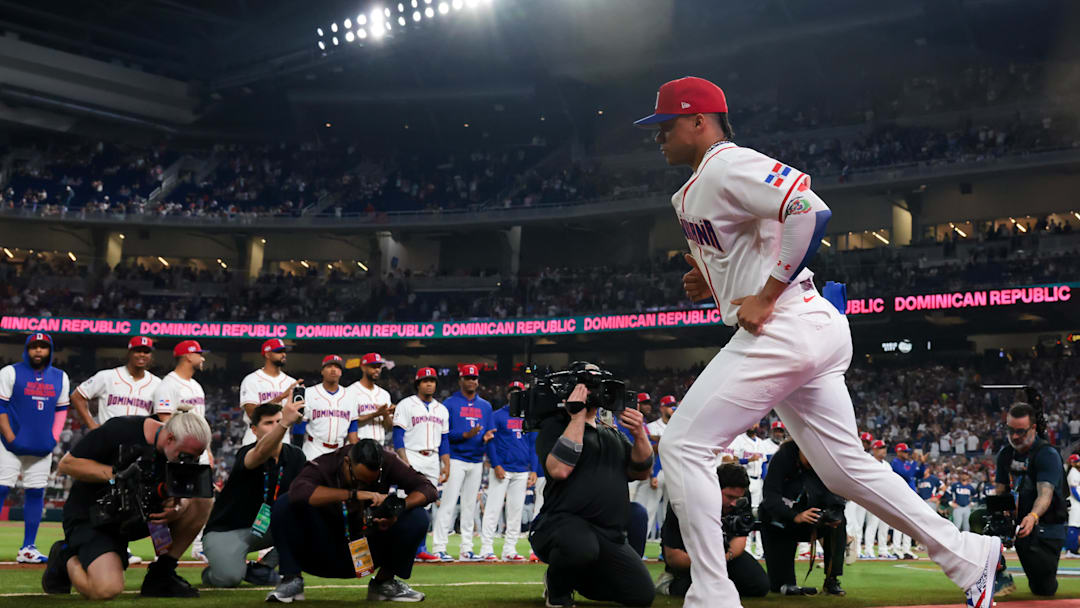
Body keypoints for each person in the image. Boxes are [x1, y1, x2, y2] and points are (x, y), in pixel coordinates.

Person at [634, 75, 1002, 608]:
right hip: (808, 327)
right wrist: (710, 282)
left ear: (699, 122)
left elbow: (810, 209)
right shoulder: (699, 185)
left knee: (686, 445)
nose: (658, 136)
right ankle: (968, 553)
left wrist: (766, 292)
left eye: (666, 125)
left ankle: (712, 596)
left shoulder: (727, 163)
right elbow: (749, 249)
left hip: (787, 322)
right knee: (844, 468)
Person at [42, 411, 213, 599]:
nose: (188, 462)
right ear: (170, 438)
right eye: (186, 455)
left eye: (195, 457)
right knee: (106, 589)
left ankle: (161, 575)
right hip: (93, 517)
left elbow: (184, 496)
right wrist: (118, 477)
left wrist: (179, 507)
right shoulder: (121, 430)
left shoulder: (178, 452)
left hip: (137, 515)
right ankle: (63, 555)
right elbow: (67, 465)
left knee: (202, 499)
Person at [530, 379, 656, 608]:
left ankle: (576, 577)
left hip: (608, 533)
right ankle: (557, 590)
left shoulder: (612, 433)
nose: (596, 391)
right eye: (589, 385)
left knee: (641, 595)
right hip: (561, 524)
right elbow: (559, 470)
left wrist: (639, 434)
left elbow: (642, 471)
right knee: (580, 547)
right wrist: (577, 416)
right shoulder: (555, 426)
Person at [265, 439, 438, 603]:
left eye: (373, 481)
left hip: (366, 548)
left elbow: (428, 489)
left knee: (417, 516)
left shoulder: (389, 461)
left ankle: (384, 584)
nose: (364, 485)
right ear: (347, 463)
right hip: (321, 547)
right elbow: (298, 491)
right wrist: (353, 495)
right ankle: (291, 579)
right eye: (359, 480)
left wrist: (397, 507)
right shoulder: (327, 463)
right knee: (285, 504)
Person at [201, 400, 306, 588]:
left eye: (278, 421)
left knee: (309, 518)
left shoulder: (296, 456)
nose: (275, 427)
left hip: (266, 527)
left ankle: (264, 567)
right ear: (254, 430)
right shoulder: (247, 453)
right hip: (228, 530)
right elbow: (259, 454)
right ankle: (212, 573)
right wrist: (284, 424)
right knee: (228, 579)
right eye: (268, 423)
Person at [0, 333, 70, 563]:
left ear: (50, 350)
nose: (38, 351)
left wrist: (53, 438)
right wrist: (10, 437)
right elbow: (1, 407)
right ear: (27, 349)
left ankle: (28, 548)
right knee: (1, 488)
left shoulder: (60, 377)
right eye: (34, 347)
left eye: (43, 347)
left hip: (42, 446)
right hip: (8, 445)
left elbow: (61, 410)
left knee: (36, 491)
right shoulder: (10, 372)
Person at [657, 463, 768, 599]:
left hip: (723, 555)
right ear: (713, 488)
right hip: (691, 557)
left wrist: (723, 558)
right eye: (730, 497)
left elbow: (740, 538)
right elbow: (673, 556)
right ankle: (669, 581)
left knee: (759, 585)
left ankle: (720, 581)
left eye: (738, 498)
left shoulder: (742, 497)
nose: (734, 503)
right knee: (696, 592)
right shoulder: (684, 501)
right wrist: (708, 563)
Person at [995, 402, 1069, 596]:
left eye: (1020, 431)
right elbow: (1000, 491)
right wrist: (1002, 518)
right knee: (981, 517)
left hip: (1046, 527)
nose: (1015, 436)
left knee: (1043, 589)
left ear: (1033, 428)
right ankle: (998, 575)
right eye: (1010, 430)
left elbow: (1045, 494)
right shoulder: (1005, 454)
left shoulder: (1046, 454)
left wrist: (1033, 516)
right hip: (1021, 524)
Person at [759, 438, 846, 596]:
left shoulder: (824, 464)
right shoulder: (782, 459)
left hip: (811, 519)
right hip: (779, 521)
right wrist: (795, 516)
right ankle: (785, 579)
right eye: (810, 457)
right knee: (780, 586)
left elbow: (836, 495)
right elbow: (770, 498)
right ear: (800, 449)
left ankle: (832, 579)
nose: (812, 463)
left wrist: (832, 514)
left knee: (838, 523)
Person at [152, 339, 213, 560]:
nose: (203, 357)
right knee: (165, 501)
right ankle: (162, 550)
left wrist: (208, 451)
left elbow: (201, 422)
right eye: (199, 353)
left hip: (197, 449)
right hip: (176, 451)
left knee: (203, 497)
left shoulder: (196, 385)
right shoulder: (168, 384)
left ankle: (198, 546)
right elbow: (166, 421)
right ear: (188, 356)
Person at [432, 364, 493, 561]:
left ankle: (467, 549)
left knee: (470, 507)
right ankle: (439, 547)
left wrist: (485, 438)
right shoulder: (449, 404)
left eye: (475, 378)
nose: (472, 381)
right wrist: (466, 434)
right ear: (460, 380)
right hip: (456, 459)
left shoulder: (485, 406)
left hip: (476, 460)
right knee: (448, 504)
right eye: (468, 378)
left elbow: (489, 432)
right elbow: (445, 435)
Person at [392, 367, 449, 562]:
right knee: (404, 503)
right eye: (425, 381)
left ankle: (420, 548)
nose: (429, 384)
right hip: (412, 455)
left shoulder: (441, 409)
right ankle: (400, 545)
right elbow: (398, 436)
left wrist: (446, 464)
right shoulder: (406, 404)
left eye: (432, 380)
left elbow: (445, 440)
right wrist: (404, 461)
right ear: (418, 384)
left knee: (425, 504)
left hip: (432, 458)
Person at [478, 390, 535, 561]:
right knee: (492, 509)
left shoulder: (529, 417)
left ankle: (510, 549)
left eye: (520, 393)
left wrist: (533, 469)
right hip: (503, 469)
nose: (516, 396)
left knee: (515, 512)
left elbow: (532, 445)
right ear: (508, 395)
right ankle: (486, 548)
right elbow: (491, 443)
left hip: (522, 469)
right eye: (513, 393)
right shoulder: (497, 415)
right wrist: (496, 465)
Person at [71, 336, 160, 428]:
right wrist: (92, 425)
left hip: (139, 439)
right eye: (137, 351)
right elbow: (77, 396)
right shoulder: (107, 376)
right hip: (109, 437)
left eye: (146, 352)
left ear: (151, 355)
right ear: (129, 353)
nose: (142, 354)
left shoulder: (157, 383)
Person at [238, 339, 296, 446]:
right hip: (256, 436)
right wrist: (281, 396)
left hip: (283, 436)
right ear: (267, 354)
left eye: (284, 351)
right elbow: (252, 414)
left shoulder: (291, 382)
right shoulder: (251, 379)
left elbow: (298, 418)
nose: (283, 354)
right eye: (279, 351)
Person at [301, 355, 359, 461]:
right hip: (314, 448)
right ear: (322, 371)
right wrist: (297, 451)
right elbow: (300, 426)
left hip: (339, 449)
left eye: (337, 367)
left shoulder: (350, 395)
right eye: (329, 366)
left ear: (341, 372)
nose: (333, 370)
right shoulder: (309, 393)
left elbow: (353, 427)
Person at [729, 426, 769, 559]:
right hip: (745, 481)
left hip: (758, 481)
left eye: (756, 423)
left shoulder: (761, 443)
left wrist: (765, 481)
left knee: (759, 514)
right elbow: (733, 461)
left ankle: (759, 549)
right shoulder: (739, 440)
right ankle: (745, 548)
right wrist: (748, 460)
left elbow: (763, 464)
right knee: (744, 514)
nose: (754, 425)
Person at [349, 353, 394, 446]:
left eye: (379, 367)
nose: (377, 370)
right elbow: (348, 421)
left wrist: (385, 414)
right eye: (373, 367)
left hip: (380, 444)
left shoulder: (384, 394)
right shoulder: (350, 391)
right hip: (359, 445)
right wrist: (375, 414)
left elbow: (389, 428)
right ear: (363, 368)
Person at [889, 443, 923, 559]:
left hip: (910, 496)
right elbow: (907, 474)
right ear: (898, 452)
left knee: (909, 523)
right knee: (900, 522)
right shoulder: (895, 463)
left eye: (907, 451)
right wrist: (914, 462)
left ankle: (906, 549)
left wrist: (922, 463)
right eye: (904, 451)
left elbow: (920, 474)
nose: (907, 453)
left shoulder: (907, 463)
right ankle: (896, 548)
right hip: (900, 495)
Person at [1067, 454, 1080, 558]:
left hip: (1077, 503)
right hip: (1074, 503)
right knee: (1073, 525)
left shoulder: (1076, 472)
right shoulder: (1073, 473)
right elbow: (1074, 490)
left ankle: (1074, 549)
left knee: (1076, 526)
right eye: (1077, 461)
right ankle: (1070, 550)